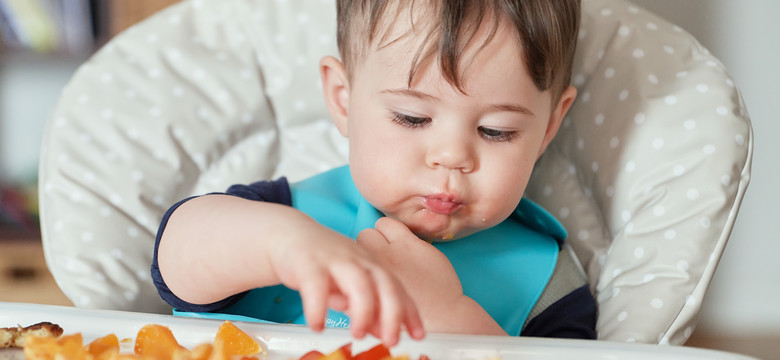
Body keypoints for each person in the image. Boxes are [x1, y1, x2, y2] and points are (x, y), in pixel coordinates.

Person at [152, 0, 596, 347]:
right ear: (344, 100)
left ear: (547, 128)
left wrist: (447, 316)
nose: (451, 156)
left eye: (496, 131)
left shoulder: (547, 282)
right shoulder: (282, 211)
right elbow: (175, 258)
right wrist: (280, 245)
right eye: (411, 117)